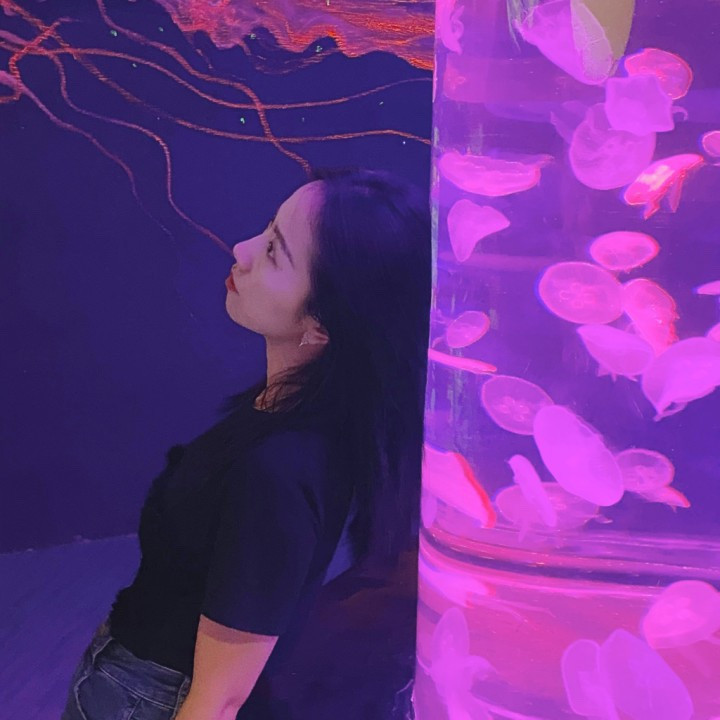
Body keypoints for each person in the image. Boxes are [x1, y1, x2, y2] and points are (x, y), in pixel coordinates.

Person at [60, 166, 432, 720]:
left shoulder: (280, 469)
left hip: (153, 699)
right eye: (268, 228)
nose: (242, 249)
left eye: (275, 252)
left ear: (323, 323)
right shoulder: (296, 411)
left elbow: (218, 699)